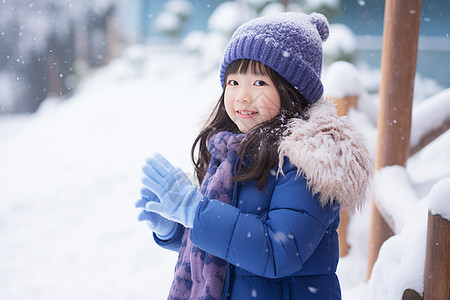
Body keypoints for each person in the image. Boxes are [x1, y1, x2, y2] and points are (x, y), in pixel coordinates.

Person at [135, 12, 372, 300]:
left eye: (259, 83)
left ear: (292, 91)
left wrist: (196, 212)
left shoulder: (307, 161)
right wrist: (176, 226)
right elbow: (231, 250)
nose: (242, 96)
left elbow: (277, 251)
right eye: (233, 82)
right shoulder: (231, 151)